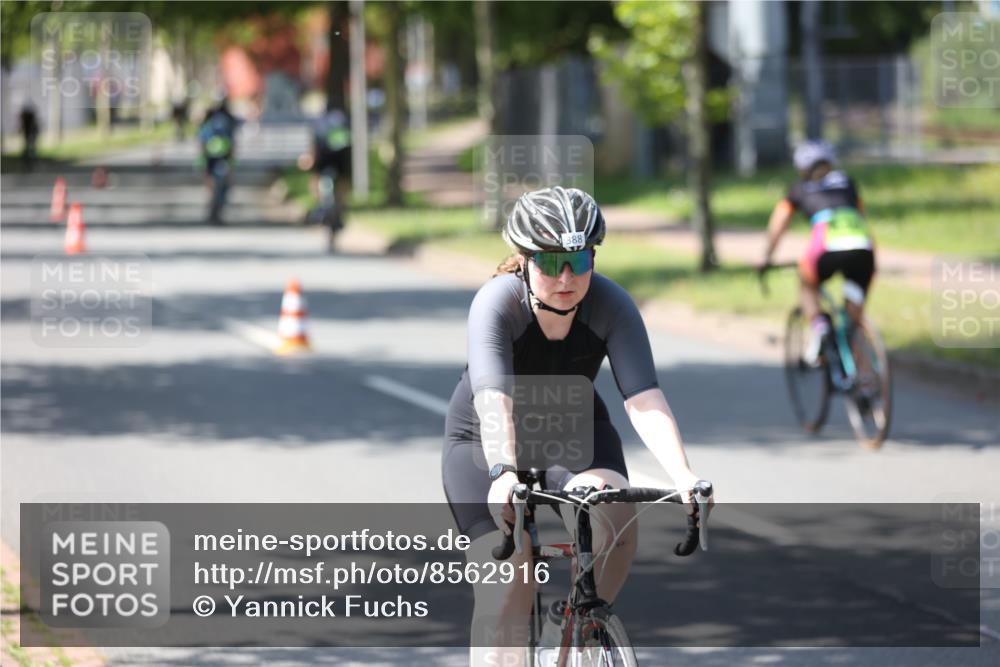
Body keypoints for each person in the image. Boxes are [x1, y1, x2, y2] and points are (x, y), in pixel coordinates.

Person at [441, 186, 711, 666]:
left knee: (615, 519)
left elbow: (644, 397)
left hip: (570, 429)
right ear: (524, 260)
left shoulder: (611, 304)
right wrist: (504, 470)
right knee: (508, 581)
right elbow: (493, 399)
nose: (566, 277)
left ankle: (574, 621)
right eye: (549, 263)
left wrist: (683, 476)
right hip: (486, 442)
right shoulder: (497, 303)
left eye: (580, 260)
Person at [759, 140, 876, 365]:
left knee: (806, 281)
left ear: (803, 168)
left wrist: (767, 256)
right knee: (853, 321)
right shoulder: (848, 184)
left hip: (825, 247)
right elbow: (861, 217)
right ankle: (865, 382)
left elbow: (778, 225)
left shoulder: (798, 190)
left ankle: (820, 328)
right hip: (862, 248)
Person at [308, 108, 352, 232]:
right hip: (339, 160)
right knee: (343, 184)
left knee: (316, 179)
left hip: (326, 160)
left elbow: (314, 147)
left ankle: (321, 207)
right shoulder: (343, 121)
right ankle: (341, 208)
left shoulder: (319, 124)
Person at [197, 97, 239, 224]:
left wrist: (202, 160)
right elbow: (232, 143)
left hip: (210, 159)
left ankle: (212, 210)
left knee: (211, 187)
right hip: (223, 158)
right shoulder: (228, 122)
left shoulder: (208, 123)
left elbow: (202, 142)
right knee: (224, 186)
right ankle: (218, 211)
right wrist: (232, 161)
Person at [19, 102, 40, 171]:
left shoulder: (29, 119)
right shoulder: (27, 118)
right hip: (29, 134)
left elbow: (34, 128)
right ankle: (28, 162)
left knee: (31, 147)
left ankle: (30, 161)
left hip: (31, 134)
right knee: (29, 147)